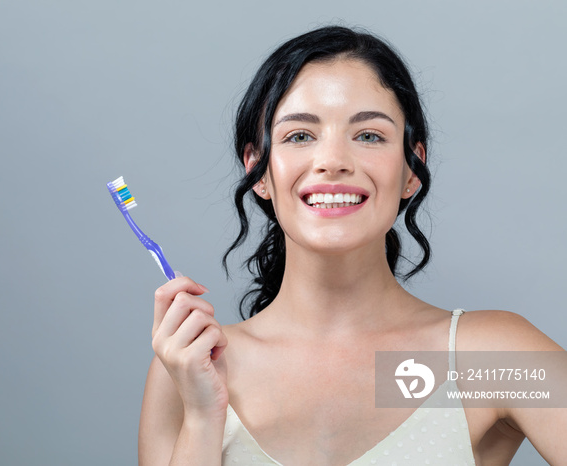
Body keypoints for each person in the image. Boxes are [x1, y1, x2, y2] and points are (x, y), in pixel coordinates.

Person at [138, 26, 566, 465]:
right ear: (258, 171)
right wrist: (204, 418)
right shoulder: (189, 369)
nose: (334, 162)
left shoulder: (488, 358)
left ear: (412, 168)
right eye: (299, 136)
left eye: (369, 136)